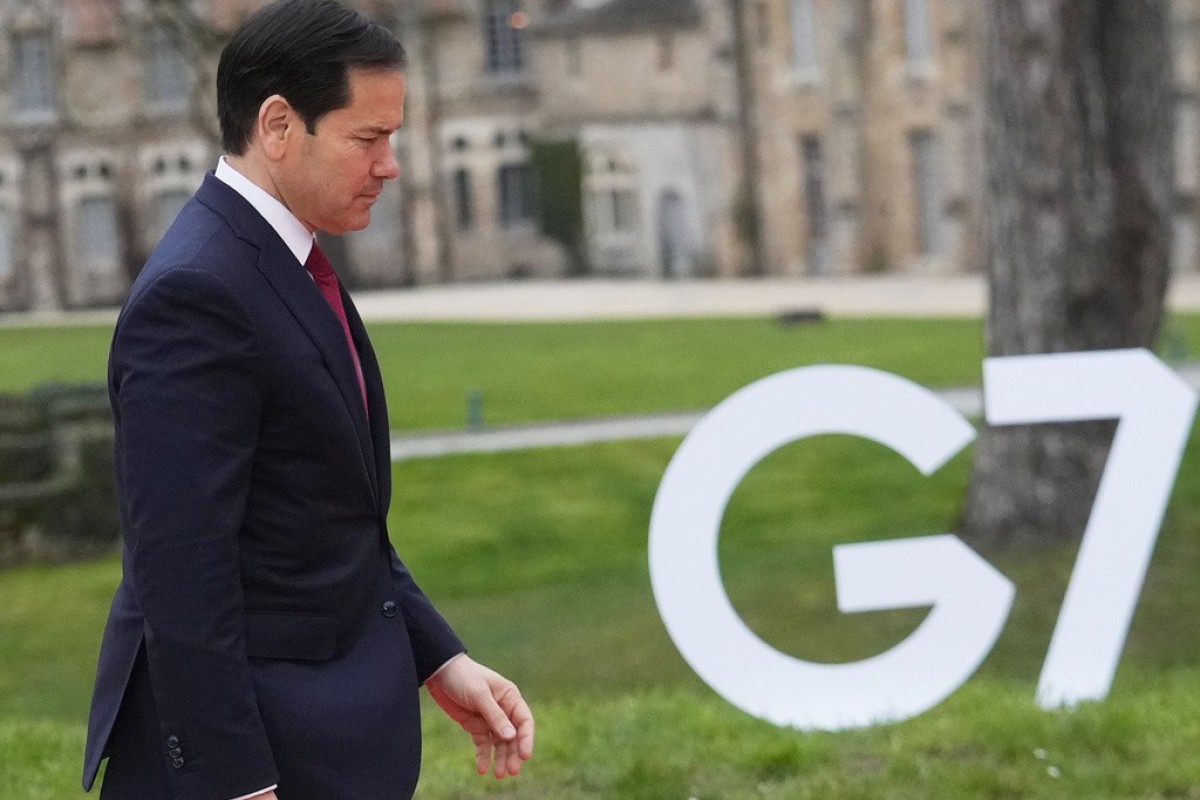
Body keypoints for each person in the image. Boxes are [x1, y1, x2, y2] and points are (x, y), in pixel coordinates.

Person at [82, 2, 533, 798]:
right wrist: (236, 780)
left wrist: (439, 657)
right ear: (279, 126)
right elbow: (181, 571)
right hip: (262, 759)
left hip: (323, 744)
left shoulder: (280, 260)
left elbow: (325, 514)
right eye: (368, 138)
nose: (391, 165)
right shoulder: (197, 294)